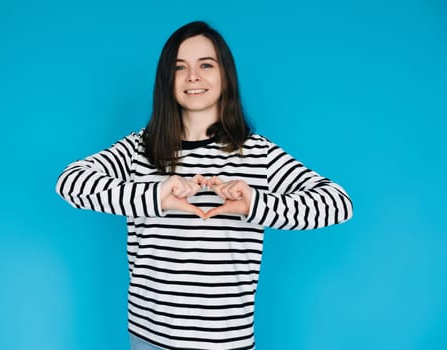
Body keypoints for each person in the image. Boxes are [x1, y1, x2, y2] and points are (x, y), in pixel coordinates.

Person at [56, 21, 353, 350]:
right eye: (179, 67)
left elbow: (337, 203)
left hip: (226, 343)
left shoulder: (257, 153)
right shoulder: (139, 148)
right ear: (166, 80)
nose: (192, 77)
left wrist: (256, 204)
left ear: (225, 74)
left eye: (206, 65)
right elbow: (71, 182)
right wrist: (157, 195)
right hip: (148, 339)